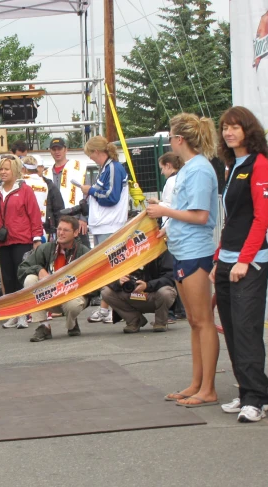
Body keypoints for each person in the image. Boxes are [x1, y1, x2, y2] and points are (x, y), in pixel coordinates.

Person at [145, 112, 220, 408]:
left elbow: (201, 216)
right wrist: (167, 221)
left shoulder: (199, 170)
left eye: (171, 138)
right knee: (194, 321)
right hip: (183, 249)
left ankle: (209, 387)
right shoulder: (190, 169)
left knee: (203, 321)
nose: (170, 143)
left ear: (179, 139)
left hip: (195, 251)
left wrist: (165, 212)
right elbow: (186, 211)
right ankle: (197, 382)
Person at [212, 106, 268, 423]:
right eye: (225, 127)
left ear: (248, 130)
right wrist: (218, 258)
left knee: (247, 329)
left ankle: (257, 400)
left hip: (250, 262)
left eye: (235, 126)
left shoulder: (259, 165)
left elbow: (260, 220)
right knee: (234, 330)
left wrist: (244, 260)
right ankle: (249, 390)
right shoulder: (232, 165)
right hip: (226, 259)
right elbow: (233, 220)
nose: (228, 131)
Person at [0, 155, 43, 329]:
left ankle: (24, 314)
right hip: (4, 242)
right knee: (9, 279)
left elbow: (34, 214)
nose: (3, 172)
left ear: (15, 170)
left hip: (22, 240)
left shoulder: (25, 190)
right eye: (1, 169)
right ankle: (13, 314)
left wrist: (36, 238)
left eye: (7, 169)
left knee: (22, 278)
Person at [17, 215, 90, 342]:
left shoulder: (84, 252)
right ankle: (44, 326)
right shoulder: (46, 248)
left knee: (73, 305)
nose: (61, 233)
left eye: (66, 230)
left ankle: (72, 325)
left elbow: (93, 280)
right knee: (30, 279)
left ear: (76, 232)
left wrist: (74, 287)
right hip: (49, 295)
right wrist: (38, 270)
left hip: (72, 295)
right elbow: (22, 268)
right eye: (59, 229)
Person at [81, 136, 128, 324]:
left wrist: (90, 190)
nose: (91, 158)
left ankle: (114, 308)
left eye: (90, 154)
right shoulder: (106, 168)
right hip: (102, 224)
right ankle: (106, 307)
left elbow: (112, 197)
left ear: (97, 152)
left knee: (112, 268)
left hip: (111, 225)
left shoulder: (114, 168)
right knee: (107, 268)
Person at [100, 251, 177, 333]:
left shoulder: (162, 250)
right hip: (132, 294)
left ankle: (160, 322)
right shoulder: (124, 251)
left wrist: (148, 285)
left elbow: (170, 277)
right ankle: (134, 320)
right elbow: (106, 277)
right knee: (106, 292)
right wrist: (118, 281)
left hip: (154, 294)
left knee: (166, 292)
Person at [42, 138, 89, 247]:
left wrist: (83, 218)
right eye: (54, 149)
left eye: (59, 148)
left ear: (65, 150)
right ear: (50, 151)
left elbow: (87, 195)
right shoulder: (46, 173)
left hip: (75, 220)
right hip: (56, 224)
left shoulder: (78, 168)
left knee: (82, 254)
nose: (57, 152)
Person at [158, 152, 187, 322]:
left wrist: (158, 205)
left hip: (171, 230)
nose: (162, 172)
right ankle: (181, 308)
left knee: (174, 270)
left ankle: (176, 308)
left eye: (162, 168)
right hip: (179, 229)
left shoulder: (171, 181)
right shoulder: (182, 178)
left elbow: (170, 207)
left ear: (169, 166)